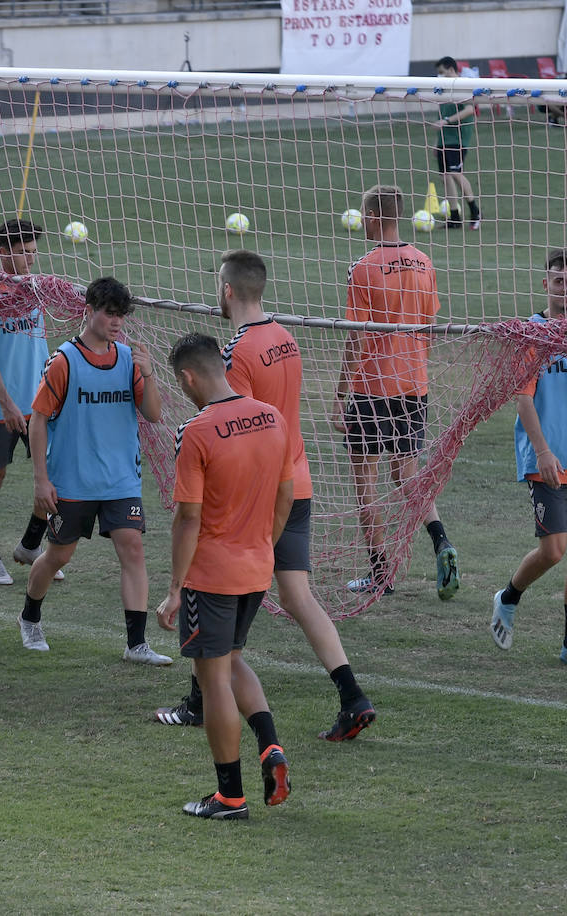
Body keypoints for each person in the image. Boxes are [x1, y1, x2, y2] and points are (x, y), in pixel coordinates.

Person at [155, 251, 376, 741]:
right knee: (299, 596)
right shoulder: (286, 338)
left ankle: (200, 701)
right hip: (296, 482)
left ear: (227, 290)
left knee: (210, 580)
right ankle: (352, 695)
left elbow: (232, 426)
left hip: (257, 489)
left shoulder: (236, 353)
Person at [156, 333, 295, 820]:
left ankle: (230, 797)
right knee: (233, 662)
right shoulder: (272, 418)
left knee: (212, 679)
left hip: (212, 574)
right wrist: (263, 544)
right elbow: (286, 495)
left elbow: (188, 518)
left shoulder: (196, 431)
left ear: (188, 377)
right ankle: (271, 747)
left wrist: (175, 589)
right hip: (257, 566)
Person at [17, 277, 168, 665]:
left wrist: (148, 374)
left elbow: (153, 413)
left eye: (121, 315)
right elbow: (37, 420)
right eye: (109, 314)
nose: (116, 322)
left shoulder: (128, 358)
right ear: (89, 311)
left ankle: (136, 645)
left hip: (121, 480)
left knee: (132, 549)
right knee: (58, 557)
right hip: (73, 481)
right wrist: (40, 479)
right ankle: (30, 616)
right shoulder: (64, 360)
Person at [333, 184, 459, 599]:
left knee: (364, 479)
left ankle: (380, 574)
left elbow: (356, 339)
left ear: (370, 217)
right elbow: (430, 327)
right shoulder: (424, 262)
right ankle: (440, 539)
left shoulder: (363, 267)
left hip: (373, 388)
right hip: (413, 385)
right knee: (406, 472)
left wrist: (340, 395)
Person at [491, 249, 567, 668]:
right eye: (560, 281)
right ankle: (508, 597)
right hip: (548, 459)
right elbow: (522, 398)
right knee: (553, 550)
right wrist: (542, 451)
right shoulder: (533, 334)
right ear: (546, 284)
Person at [0, 218, 58, 586]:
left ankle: (32, 545)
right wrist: (5, 404)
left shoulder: (36, 289)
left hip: (39, 404)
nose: (31, 260)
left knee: (56, 478)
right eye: (23, 253)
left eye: (34, 252)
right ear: (3, 252)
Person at [432, 57, 483, 231]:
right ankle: (454, 218)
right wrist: (436, 142)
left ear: (451, 69)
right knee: (445, 176)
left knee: (455, 174)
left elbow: (470, 110)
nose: (439, 76)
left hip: (458, 140)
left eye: (442, 72)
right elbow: (441, 116)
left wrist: (446, 121)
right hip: (444, 140)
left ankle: (475, 212)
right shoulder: (443, 90)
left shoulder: (462, 85)